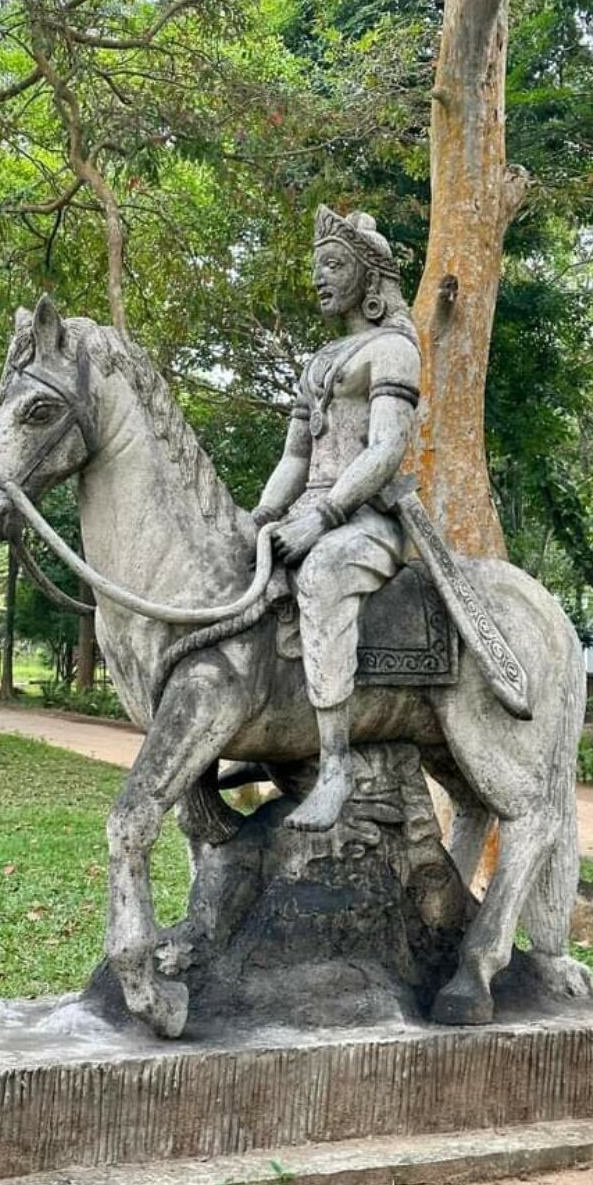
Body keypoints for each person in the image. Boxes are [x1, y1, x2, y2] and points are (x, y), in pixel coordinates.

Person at [252, 206, 421, 831]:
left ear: (369, 277)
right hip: (306, 507)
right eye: (316, 266)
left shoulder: (393, 350)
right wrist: (265, 514)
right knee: (239, 566)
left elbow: (384, 450)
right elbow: (295, 455)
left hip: (365, 520)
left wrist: (320, 518)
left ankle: (337, 767)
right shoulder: (318, 360)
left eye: (333, 265)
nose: (319, 278)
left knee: (320, 574)